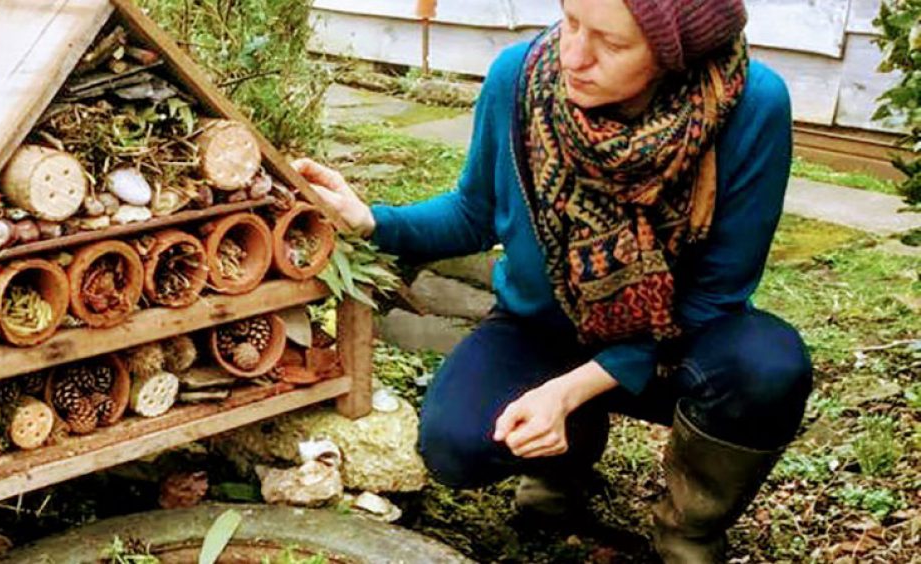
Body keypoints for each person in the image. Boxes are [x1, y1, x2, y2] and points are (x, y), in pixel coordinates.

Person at [293, 0, 813, 562]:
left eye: (611, 44)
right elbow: (475, 210)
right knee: (455, 444)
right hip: (546, 326)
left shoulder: (749, 106)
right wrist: (372, 220)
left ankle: (687, 529)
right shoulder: (518, 79)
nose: (573, 55)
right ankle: (562, 467)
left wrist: (567, 390)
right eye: (570, 20)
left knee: (767, 368)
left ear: (675, 56)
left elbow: (716, 294)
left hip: (681, 338)